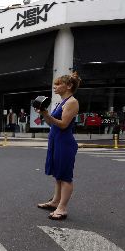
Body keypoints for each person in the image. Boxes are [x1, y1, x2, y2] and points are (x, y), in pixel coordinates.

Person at [36, 72, 81, 220]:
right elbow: (51, 123)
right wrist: (44, 113)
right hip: (56, 140)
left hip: (64, 142)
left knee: (65, 176)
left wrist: (47, 115)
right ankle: (56, 201)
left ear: (68, 86)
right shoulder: (61, 102)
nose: (54, 87)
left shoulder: (72, 102)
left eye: (58, 84)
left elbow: (63, 125)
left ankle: (62, 208)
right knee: (58, 175)